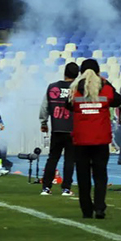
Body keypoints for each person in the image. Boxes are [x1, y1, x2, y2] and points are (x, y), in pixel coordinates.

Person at [66, 59, 121, 219]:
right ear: (97, 72)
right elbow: (117, 100)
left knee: (83, 176)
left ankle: (86, 210)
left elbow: (68, 105)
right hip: (100, 138)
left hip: (81, 139)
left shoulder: (76, 88)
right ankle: (99, 207)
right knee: (100, 175)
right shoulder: (105, 86)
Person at [39, 62, 78, 196]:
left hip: (57, 128)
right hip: (72, 129)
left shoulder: (53, 87)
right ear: (77, 74)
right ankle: (66, 188)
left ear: (64, 73)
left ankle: (46, 187)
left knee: (53, 158)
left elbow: (44, 107)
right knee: (69, 160)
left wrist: (43, 122)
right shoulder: (78, 88)